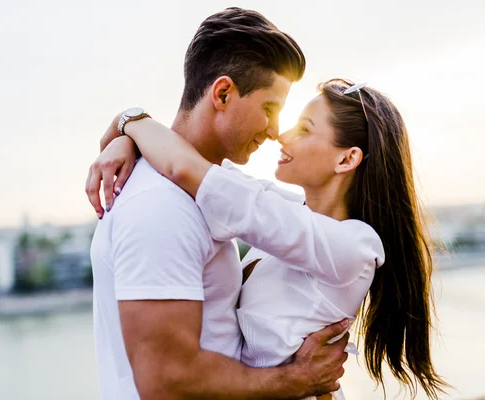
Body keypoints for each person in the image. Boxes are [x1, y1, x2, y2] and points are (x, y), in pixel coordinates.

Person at [87, 79, 449, 399]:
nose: (283, 135)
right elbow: (191, 163)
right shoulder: (288, 212)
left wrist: (130, 122)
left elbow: (191, 170)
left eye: (304, 130)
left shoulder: (353, 247)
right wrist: (126, 140)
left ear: (347, 158)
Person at [87, 7, 351, 400]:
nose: (275, 131)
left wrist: (129, 124)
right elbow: (166, 381)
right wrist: (297, 380)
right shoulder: (161, 208)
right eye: (269, 109)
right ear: (223, 93)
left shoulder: (203, 192)